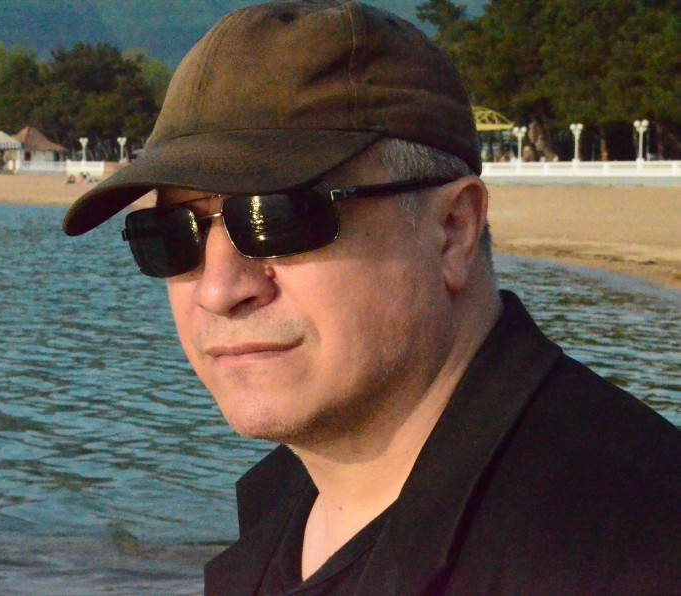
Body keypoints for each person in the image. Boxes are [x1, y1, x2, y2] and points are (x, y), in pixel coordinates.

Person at [62, 2, 680, 593]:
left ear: (452, 231)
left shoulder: (633, 549)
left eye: (280, 217)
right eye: (172, 235)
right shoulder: (285, 512)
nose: (221, 289)